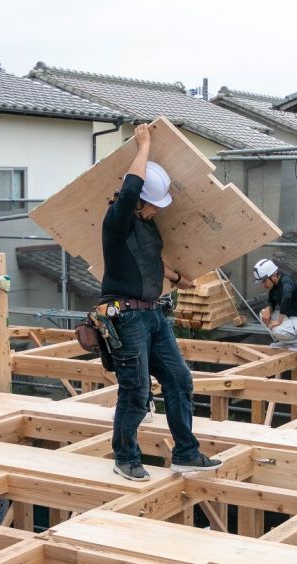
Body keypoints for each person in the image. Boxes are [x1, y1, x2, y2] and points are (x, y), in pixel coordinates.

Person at [101, 124, 222, 481]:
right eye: (153, 204)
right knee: (136, 390)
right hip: (127, 318)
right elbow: (131, 189)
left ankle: (186, 453)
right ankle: (125, 457)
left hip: (153, 314)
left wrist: (172, 277)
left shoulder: (145, 226)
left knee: (180, 380)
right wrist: (145, 145)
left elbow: (146, 258)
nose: (157, 210)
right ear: (138, 201)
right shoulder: (117, 220)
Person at [254, 258, 297, 352]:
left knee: (277, 329)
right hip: (292, 319)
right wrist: (268, 310)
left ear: (273, 275)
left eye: (264, 281)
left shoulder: (286, 280)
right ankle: (287, 341)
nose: (263, 285)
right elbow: (271, 302)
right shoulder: (273, 286)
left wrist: (278, 321)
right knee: (263, 314)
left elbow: (287, 297)